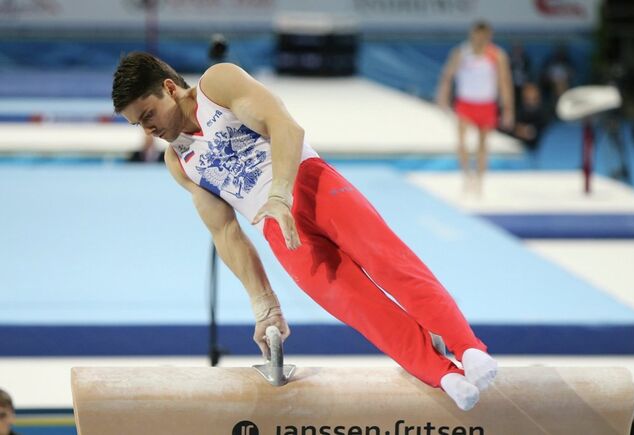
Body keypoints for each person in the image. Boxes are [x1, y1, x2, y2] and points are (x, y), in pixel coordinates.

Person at [112, 52, 498, 411]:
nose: (148, 131)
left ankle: (466, 347)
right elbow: (225, 232)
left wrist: (279, 194)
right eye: (137, 125)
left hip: (311, 186)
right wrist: (265, 305)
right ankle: (441, 374)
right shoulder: (179, 161)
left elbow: (285, 127)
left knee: (390, 264)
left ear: (168, 88)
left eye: (147, 115)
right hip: (279, 232)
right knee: (360, 308)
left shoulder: (218, 84)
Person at [437, 21, 514, 196]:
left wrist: (508, 109)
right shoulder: (461, 53)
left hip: (487, 103)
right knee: (462, 142)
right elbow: (448, 76)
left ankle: (479, 180)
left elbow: (504, 82)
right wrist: (442, 96)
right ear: (472, 35)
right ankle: (466, 175)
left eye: (483, 36)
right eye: (477, 35)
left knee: (483, 145)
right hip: (465, 103)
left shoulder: (496, 55)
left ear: (488, 36)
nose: (479, 39)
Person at [512, 82, 547, 165]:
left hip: (533, 152)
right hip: (514, 148)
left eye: (533, 98)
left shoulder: (545, 113)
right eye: (527, 98)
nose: (530, 101)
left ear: (538, 97)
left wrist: (528, 131)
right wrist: (516, 129)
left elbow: (537, 130)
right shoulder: (518, 111)